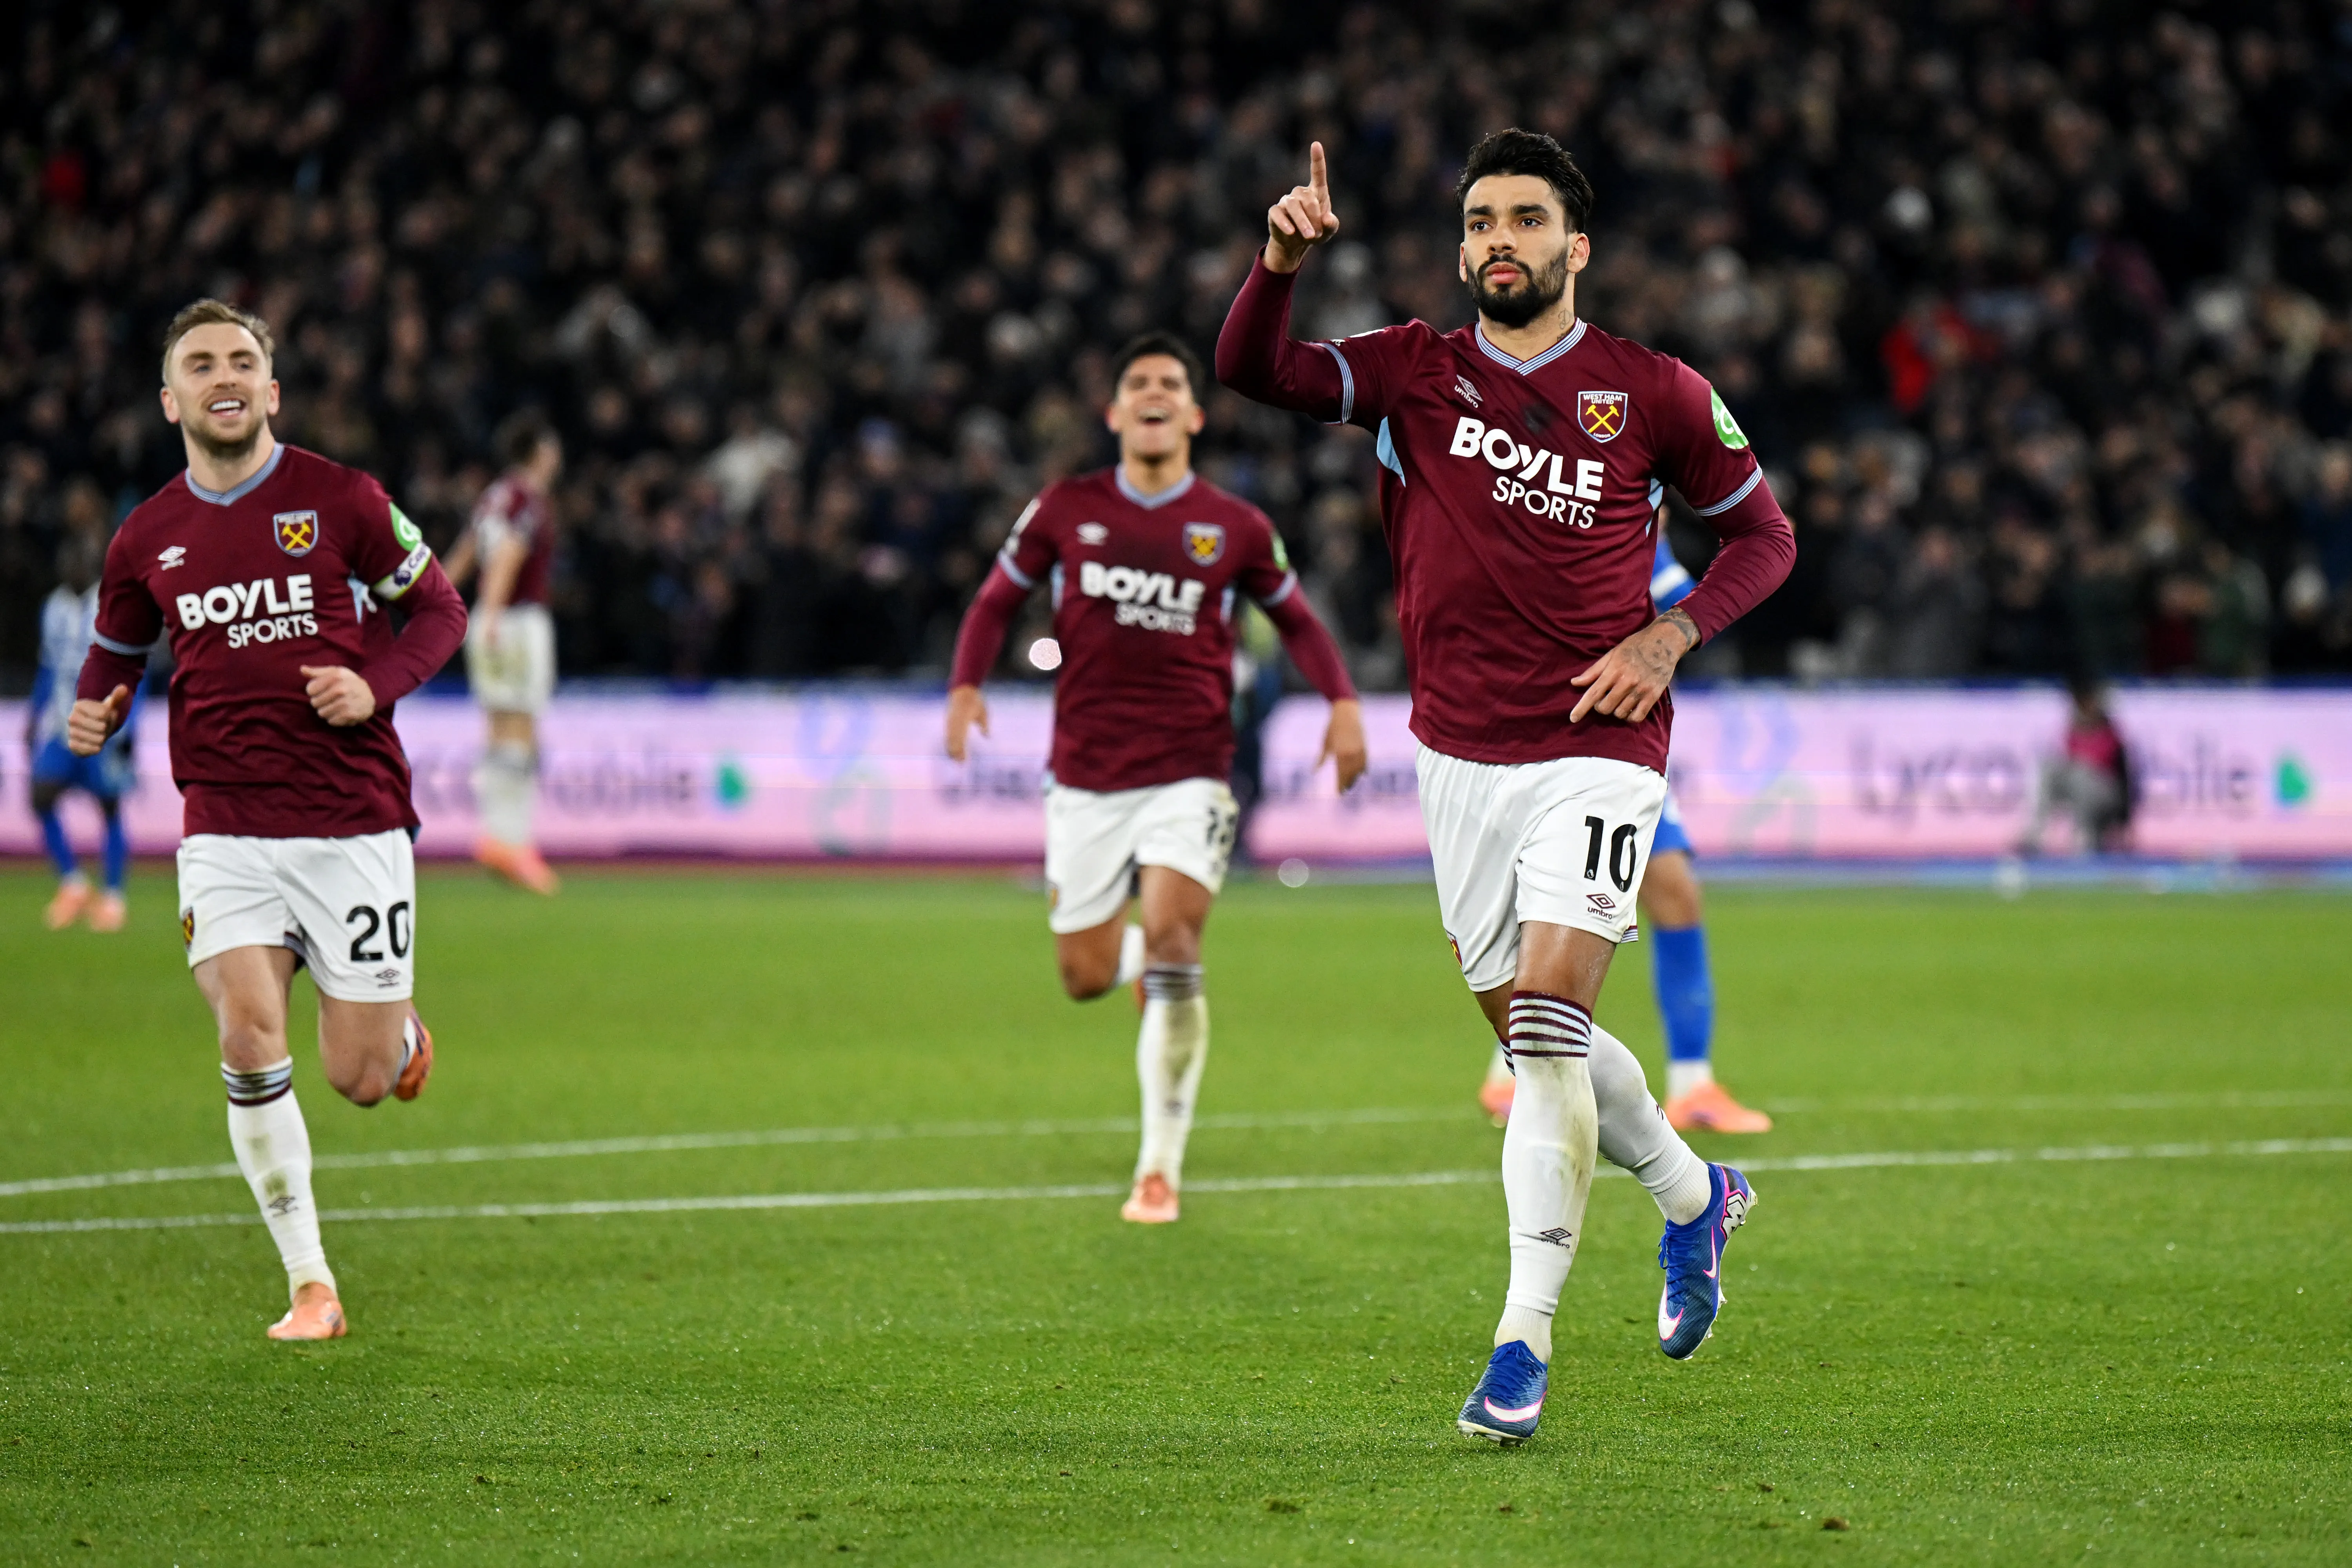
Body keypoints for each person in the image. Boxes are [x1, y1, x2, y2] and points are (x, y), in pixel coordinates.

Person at [1219, 133, 1796, 1444]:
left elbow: (1763, 537)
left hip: (1598, 745)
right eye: (1478, 218)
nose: (1497, 239)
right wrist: (1277, 266)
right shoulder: (1412, 369)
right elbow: (1249, 369)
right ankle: (1693, 1192)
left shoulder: (1649, 391)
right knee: (1535, 1032)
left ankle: (1519, 1344)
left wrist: (1669, 635)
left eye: (1524, 219)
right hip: (1457, 755)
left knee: (1543, 1023)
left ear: (1573, 246)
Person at [67, 299, 467, 1341]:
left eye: (241, 359)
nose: (223, 375)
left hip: (351, 823)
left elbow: (440, 611)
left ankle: (401, 1031)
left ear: (271, 389)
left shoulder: (342, 499)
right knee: (247, 1034)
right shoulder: (147, 535)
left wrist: (373, 685)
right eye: (200, 364)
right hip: (224, 826)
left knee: (360, 1076)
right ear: (172, 399)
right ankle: (311, 1283)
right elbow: (117, 649)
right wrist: (96, 702)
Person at [946, 331, 1366, 1225]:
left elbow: (1296, 620)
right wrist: (964, 686)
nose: (1153, 393)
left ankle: (1157, 1166)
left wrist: (1339, 702)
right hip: (1087, 776)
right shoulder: (1065, 508)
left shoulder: (1235, 527)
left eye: (1169, 383)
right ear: (1112, 412)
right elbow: (993, 599)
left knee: (1178, 940)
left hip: (1191, 769)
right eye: (1135, 382)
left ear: (1193, 412)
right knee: (1082, 975)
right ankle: (1131, 956)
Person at [1478, 527, 1774, 1134]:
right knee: (1556, 908)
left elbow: (1692, 607)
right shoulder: (1565, 515)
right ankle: (1513, 1071)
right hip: (1563, 739)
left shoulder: (1632, 525)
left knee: (1673, 893)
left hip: (1622, 743)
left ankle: (1693, 1084)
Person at [443, 410, 564, 894]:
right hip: (515, 621)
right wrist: (492, 613)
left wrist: (436, 603)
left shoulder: (493, 497)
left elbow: (467, 551)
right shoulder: (527, 500)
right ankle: (513, 842)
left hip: (489, 618)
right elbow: (511, 552)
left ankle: (500, 838)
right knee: (521, 727)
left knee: (497, 729)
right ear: (540, 452)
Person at [29, 530, 137, 931]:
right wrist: (33, 715)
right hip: (61, 725)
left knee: (109, 807)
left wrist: (126, 725)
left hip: (102, 725)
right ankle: (73, 883)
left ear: (91, 567)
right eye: (67, 563)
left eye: (78, 563)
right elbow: (49, 666)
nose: (71, 569)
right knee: (41, 796)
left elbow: (130, 666)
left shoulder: (108, 604)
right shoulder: (53, 606)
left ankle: (113, 897)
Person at [2019, 678, 2134, 855]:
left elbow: (2108, 772)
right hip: (2078, 788)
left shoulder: (2110, 733)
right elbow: (2068, 760)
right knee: (2047, 768)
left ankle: (2084, 836)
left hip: (2105, 795)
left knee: (2082, 774)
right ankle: (2034, 835)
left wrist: (2125, 823)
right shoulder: (2073, 730)